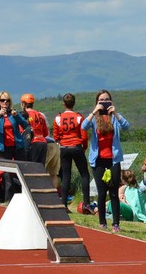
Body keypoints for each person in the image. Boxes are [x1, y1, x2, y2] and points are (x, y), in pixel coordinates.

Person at [82, 90, 130, 233]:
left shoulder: (114, 118)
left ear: (111, 102)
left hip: (113, 159)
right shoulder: (95, 119)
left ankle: (116, 223)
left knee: (114, 192)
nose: (103, 102)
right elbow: (83, 127)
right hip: (98, 160)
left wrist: (115, 113)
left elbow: (127, 126)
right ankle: (102, 221)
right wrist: (94, 111)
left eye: (106, 100)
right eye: (100, 100)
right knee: (102, 192)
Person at [54, 93, 93, 213]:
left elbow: (56, 136)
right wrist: (84, 147)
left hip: (64, 147)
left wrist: (62, 142)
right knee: (84, 174)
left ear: (63, 104)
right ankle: (86, 203)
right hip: (76, 147)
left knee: (66, 176)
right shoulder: (79, 117)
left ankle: (64, 204)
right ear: (74, 103)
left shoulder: (58, 118)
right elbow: (84, 135)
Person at [0, 91, 29, 202]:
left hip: (17, 146)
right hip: (4, 148)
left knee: (22, 172)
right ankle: (9, 201)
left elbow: (25, 125)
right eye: (2, 100)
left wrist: (17, 117)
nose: (5, 102)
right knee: (7, 175)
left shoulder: (13, 113)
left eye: (7, 100)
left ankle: (26, 198)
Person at [20, 93, 49, 165]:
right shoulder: (40, 115)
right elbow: (45, 133)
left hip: (32, 143)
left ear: (24, 104)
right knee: (41, 168)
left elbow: (21, 132)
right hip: (43, 143)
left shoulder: (23, 116)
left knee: (31, 167)